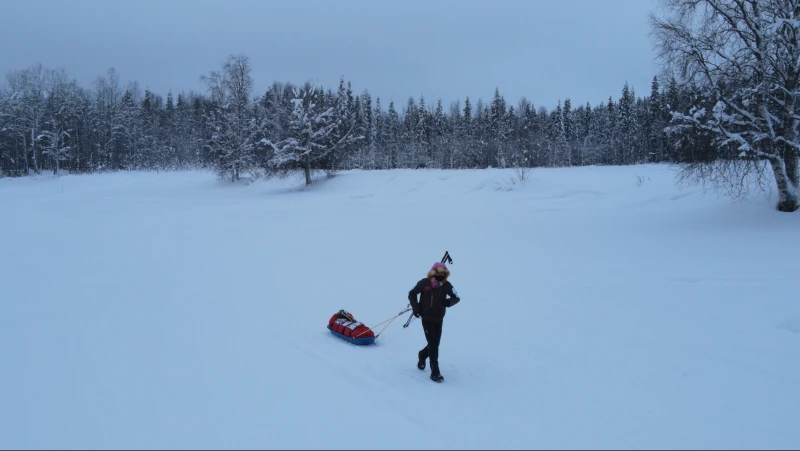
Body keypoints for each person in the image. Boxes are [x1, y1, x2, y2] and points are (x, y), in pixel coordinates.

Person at [408, 262, 460, 382]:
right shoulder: (424, 283)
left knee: (434, 344)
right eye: (439, 273)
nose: (441, 276)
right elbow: (412, 293)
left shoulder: (447, 285)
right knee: (433, 344)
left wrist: (449, 302)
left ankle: (422, 355)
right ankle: (435, 372)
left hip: (439, 318)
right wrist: (416, 308)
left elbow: (456, 297)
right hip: (426, 319)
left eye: (443, 274)